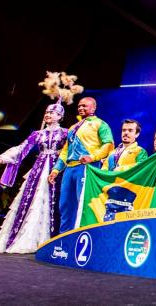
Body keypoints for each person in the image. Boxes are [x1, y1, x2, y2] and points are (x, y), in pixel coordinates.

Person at [0, 102, 68, 252]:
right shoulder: (37, 134)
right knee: (32, 199)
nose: (48, 115)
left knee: (53, 200)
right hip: (38, 170)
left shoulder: (66, 133)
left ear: (60, 116)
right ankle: (24, 238)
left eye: (52, 113)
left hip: (56, 169)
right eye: (46, 112)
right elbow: (21, 149)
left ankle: (52, 240)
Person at [47, 97, 114, 234]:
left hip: (87, 168)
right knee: (65, 205)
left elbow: (109, 145)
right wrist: (56, 169)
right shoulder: (72, 128)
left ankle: (83, 235)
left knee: (83, 203)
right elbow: (66, 150)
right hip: (70, 169)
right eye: (79, 106)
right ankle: (64, 238)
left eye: (85, 106)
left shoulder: (100, 124)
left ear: (93, 108)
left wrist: (92, 157)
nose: (81, 108)